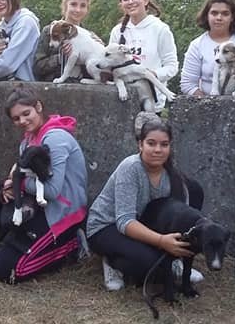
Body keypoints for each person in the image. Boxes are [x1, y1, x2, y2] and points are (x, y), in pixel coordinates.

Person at [0, 87, 88, 283]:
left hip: (60, 211)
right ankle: (13, 237)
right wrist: (9, 189)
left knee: (5, 272)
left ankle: (71, 245)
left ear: (38, 107)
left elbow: (51, 190)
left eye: (26, 114)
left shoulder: (56, 139)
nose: (22, 121)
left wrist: (20, 184)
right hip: (35, 204)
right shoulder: (27, 140)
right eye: (16, 118)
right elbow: (25, 176)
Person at [86, 119, 205, 292]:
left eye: (164, 144)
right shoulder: (131, 168)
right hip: (107, 226)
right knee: (150, 266)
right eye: (151, 143)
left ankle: (170, 262)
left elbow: (181, 217)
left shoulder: (172, 176)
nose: (158, 150)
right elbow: (124, 221)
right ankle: (111, 261)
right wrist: (161, 241)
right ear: (140, 145)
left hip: (141, 224)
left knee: (195, 190)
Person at [107, 0, 178, 109]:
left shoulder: (160, 29)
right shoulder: (117, 31)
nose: (131, 1)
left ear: (145, 0)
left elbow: (172, 66)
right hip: (124, 102)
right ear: (121, 3)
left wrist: (154, 74)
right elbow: (111, 63)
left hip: (152, 101)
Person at [180, 0, 235, 95]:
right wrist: (208, 104)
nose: (219, 18)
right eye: (214, 13)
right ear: (207, 15)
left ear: (232, 17)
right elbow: (187, 84)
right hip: (210, 104)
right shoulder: (197, 45)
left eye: (225, 13)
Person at [34, 0, 103, 82]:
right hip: (51, 90)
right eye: (73, 4)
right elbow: (37, 68)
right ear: (65, 4)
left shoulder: (90, 37)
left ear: (87, 8)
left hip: (82, 92)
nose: (78, 10)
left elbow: (95, 74)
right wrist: (61, 57)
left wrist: (99, 53)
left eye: (83, 6)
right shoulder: (49, 31)